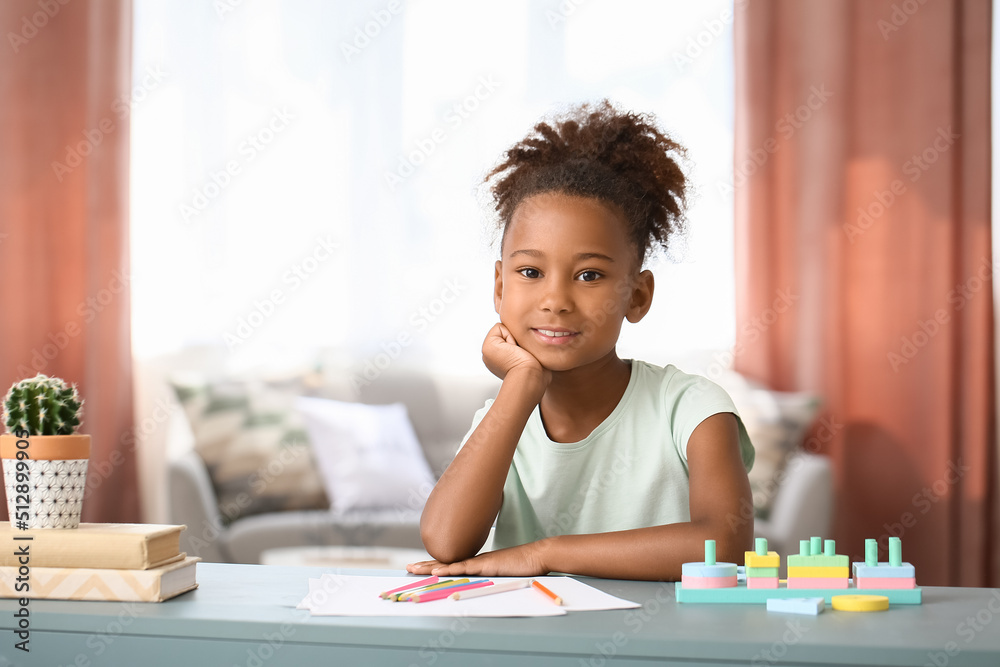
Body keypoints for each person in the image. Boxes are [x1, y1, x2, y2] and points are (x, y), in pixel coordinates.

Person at [407, 100, 755, 581]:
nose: (555, 300)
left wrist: (544, 554)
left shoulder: (691, 408)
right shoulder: (502, 419)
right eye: (530, 271)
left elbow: (727, 543)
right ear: (499, 287)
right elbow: (445, 542)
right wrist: (522, 382)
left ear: (637, 295)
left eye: (589, 275)